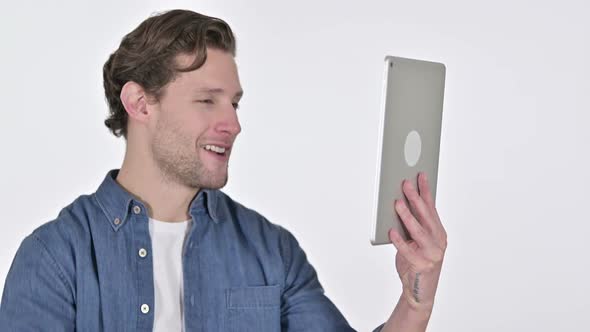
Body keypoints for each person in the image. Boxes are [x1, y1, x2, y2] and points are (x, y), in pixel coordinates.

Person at [0, 9, 447, 332]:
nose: (232, 123)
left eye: (233, 103)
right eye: (206, 100)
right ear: (139, 103)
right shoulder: (55, 259)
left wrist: (414, 301)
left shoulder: (271, 251)